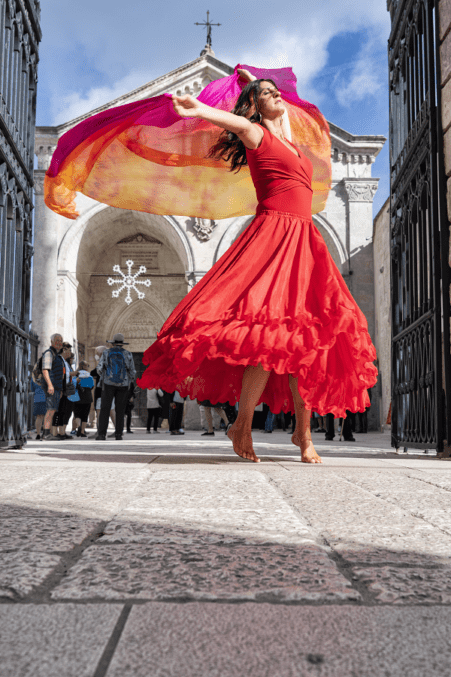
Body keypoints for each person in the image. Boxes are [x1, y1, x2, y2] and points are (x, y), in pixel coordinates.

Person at [137, 69, 377, 463]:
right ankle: (243, 424)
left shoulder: (292, 139)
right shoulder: (257, 134)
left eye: (276, 92)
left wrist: (253, 79)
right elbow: (233, 120)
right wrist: (199, 108)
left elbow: (288, 108)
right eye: (267, 94)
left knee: (309, 339)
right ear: (255, 107)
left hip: (304, 242)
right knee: (267, 341)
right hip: (274, 237)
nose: (277, 97)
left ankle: (303, 432)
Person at [96, 334, 136, 441]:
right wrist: (129, 382)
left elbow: (99, 369)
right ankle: (118, 434)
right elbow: (132, 371)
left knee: (105, 409)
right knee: (120, 410)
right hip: (123, 385)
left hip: (108, 384)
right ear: (122, 343)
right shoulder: (128, 354)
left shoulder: (106, 353)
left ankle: (101, 434)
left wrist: (105, 377)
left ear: (113, 343)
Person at [41, 334, 65, 440]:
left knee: (53, 410)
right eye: (57, 340)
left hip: (57, 387)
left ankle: (48, 432)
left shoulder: (58, 356)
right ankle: (45, 433)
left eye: (61, 340)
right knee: (50, 410)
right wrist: (50, 385)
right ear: (51, 342)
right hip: (52, 386)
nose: (59, 342)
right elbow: (45, 370)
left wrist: (60, 389)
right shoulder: (49, 353)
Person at [73, 362, 95, 437]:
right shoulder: (90, 376)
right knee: (85, 415)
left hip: (77, 396)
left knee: (77, 414)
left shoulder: (75, 375)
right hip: (87, 396)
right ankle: (82, 431)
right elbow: (92, 387)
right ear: (86, 367)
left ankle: (79, 426)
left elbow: (73, 384)